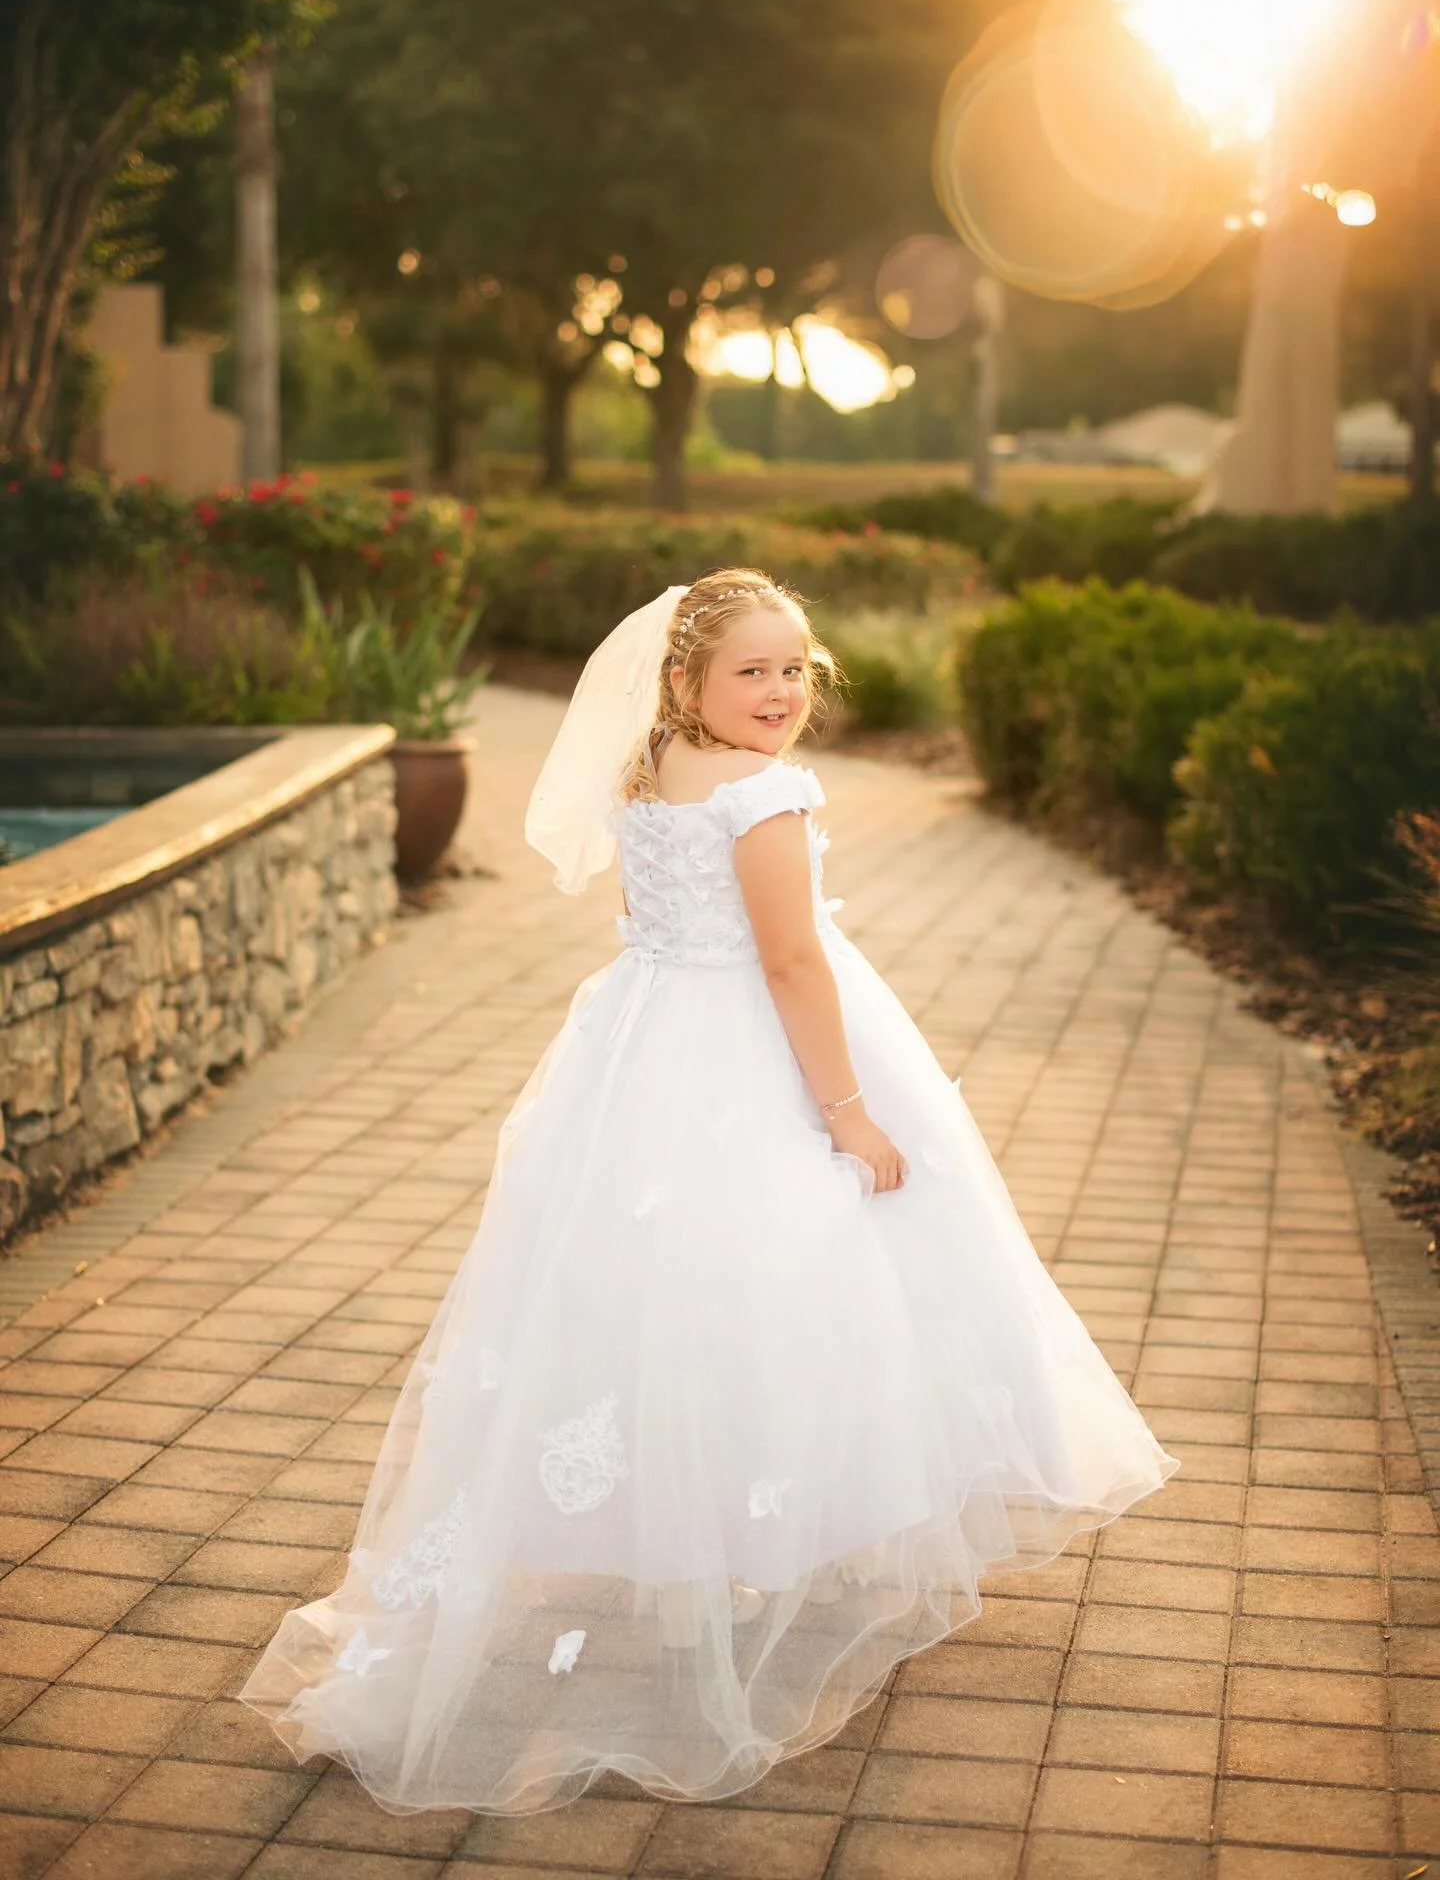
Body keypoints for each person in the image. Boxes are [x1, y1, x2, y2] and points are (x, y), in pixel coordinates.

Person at [240, 568, 1177, 1815]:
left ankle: (691, 1571)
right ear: (686, 679)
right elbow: (790, 962)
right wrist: (848, 1113)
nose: (782, 693)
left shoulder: (652, 770)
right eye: (752, 672)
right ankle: (784, 1543)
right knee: (799, 1283)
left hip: (643, 1046)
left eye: (796, 669)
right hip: (758, 1052)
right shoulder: (765, 793)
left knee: (655, 1298)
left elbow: (649, 917)